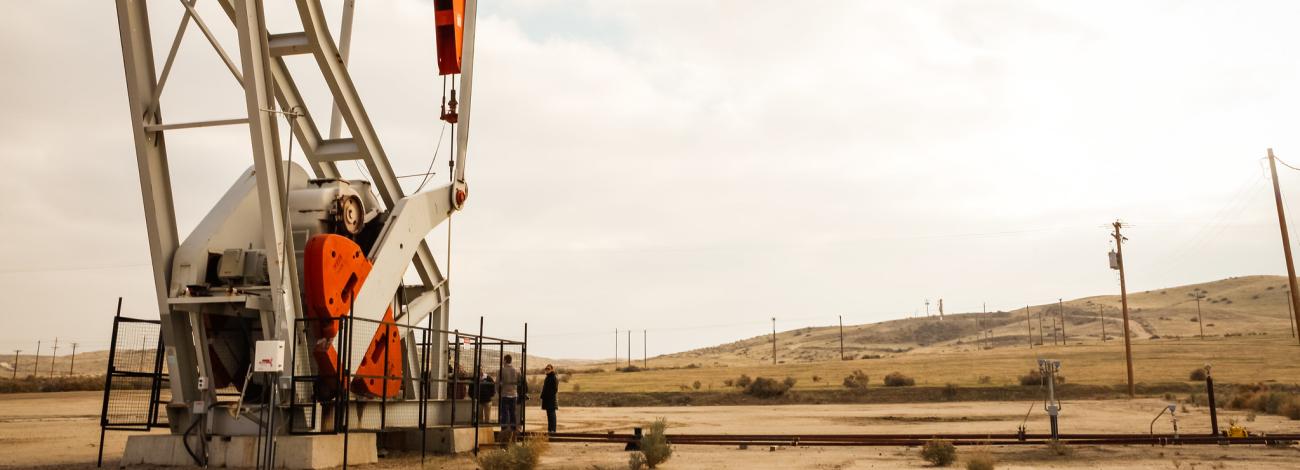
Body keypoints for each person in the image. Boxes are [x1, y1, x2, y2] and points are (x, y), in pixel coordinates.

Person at [498, 354, 520, 439]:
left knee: (504, 413)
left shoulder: (502, 370)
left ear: (505, 360)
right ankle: (513, 429)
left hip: (505, 394)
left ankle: (504, 429)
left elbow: (497, 383)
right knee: (513, 412)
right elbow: (519, 382)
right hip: (514, 394)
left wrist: (500, 392)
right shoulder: (516, 371)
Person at [541, 364, 559, 434]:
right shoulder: (548, 377)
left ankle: (553, 430)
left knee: (552, 415)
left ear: (552, 369)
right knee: (549, 415)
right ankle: (550, 430)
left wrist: (548, 396)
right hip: (547, 399)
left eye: (548, 369)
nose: (547, 370)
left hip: (551, 400)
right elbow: (545, 388)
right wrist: (543, 396)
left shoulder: (554, 377)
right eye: (546, 369)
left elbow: (555, 389)